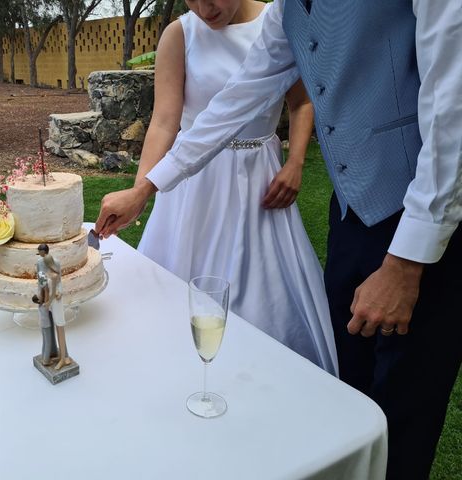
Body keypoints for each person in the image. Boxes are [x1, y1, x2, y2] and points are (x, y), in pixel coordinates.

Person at [96, 1, 462, 478]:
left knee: (404, 405)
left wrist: (405, 263)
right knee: (346, 389)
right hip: (351, 213)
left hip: (424, 229)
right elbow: (235, 100)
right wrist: (147, 186)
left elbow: (451, 106)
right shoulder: (285, 12)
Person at [99, 0, 338, 375]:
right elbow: (164, 120)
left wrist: (295, 163)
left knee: (260, 291)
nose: (203, 8)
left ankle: (257, 376)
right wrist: (141, 189)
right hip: (191, 183)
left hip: (258, 179)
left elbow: (302, 103)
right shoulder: (180, 33)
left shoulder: (278, 22)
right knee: (174, 289)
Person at [36, 244, 72, 370]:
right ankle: (61, 356)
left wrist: (53, 297)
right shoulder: (41, 266)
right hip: (50, 301)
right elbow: (42, 285)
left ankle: (63, 358)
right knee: (56, 327)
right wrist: (44, 299)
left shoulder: (55, 272)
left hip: (56, 302)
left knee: (60, 327)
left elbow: (57, 285)